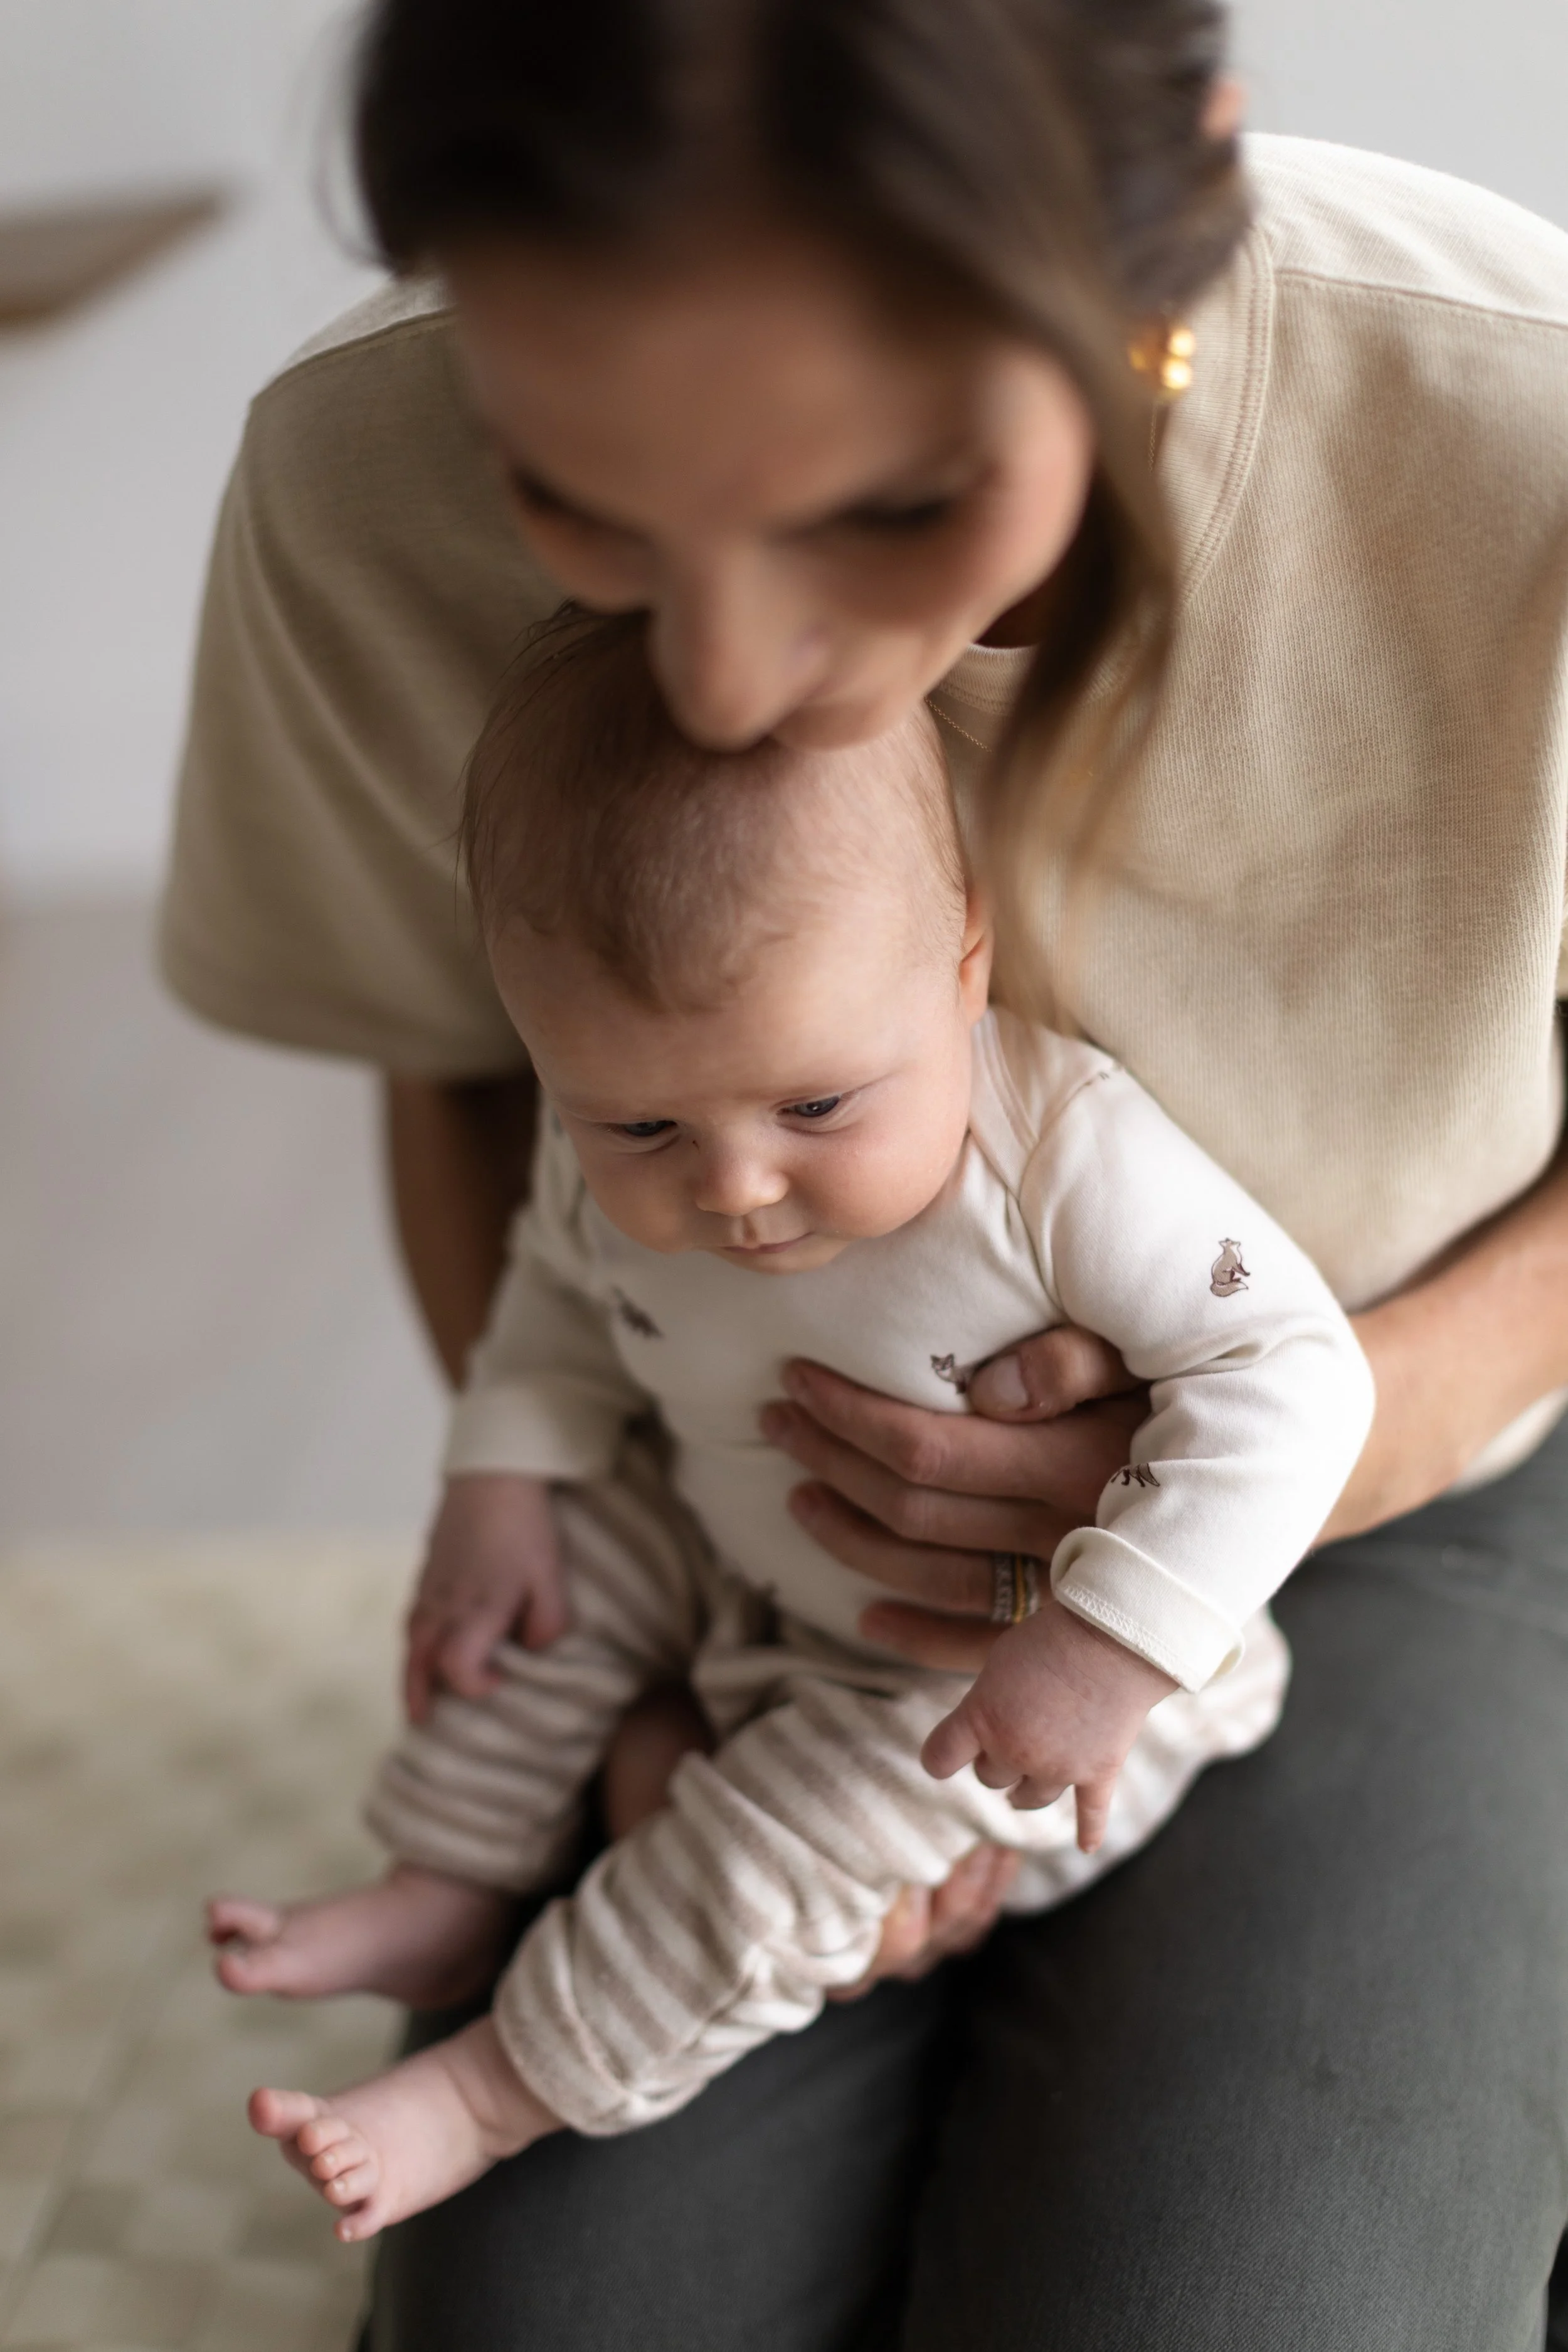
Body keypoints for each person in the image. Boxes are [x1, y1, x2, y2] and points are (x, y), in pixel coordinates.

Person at [159, 0, 1568, 2341]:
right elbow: (465, 1082)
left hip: (1432, 1470)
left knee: (1234, 2298)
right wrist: (628, 1649)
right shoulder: (357, 470)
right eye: (584, 501)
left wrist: (1314, 1450)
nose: (726, 677)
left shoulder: (1510, 437)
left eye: (882, 496)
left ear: (1171, 222)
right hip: (746, 1514)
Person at [206, 612, 1370, 2239]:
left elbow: (1294, 1370)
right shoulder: (604, 1137)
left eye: (815, 1105)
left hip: (996, 1669)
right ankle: (449, 1880)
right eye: (641, 1123)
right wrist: (499, 1472)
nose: (735, 1187)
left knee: (770, 1847)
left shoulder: (1058, 1157)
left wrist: (1105, 1641)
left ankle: (494, 2084)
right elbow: (554, 1288)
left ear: (961, 961)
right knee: (545, 1577)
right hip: (733, 1553)